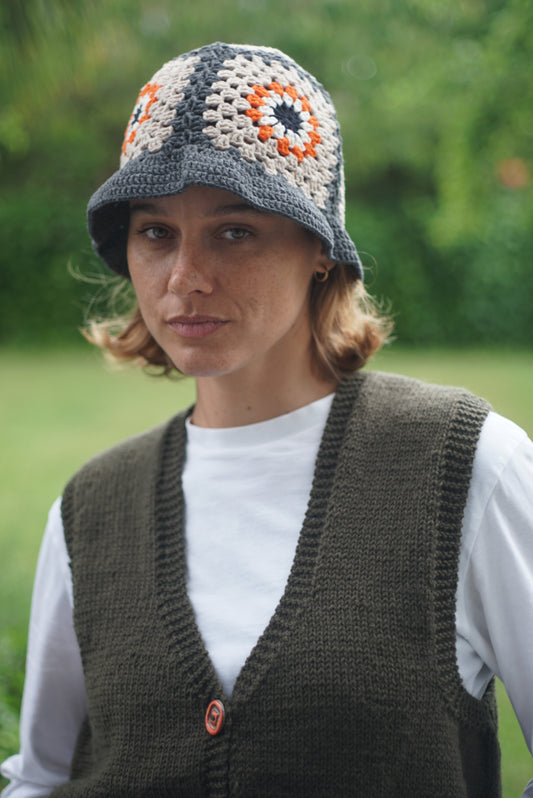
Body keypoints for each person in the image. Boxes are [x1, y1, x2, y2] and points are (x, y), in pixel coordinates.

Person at [1, 41, 533, 797]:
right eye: (156, 232)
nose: (185, 277)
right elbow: (43, 779)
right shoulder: (90, 512)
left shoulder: (465, 466)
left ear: (318, 248)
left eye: (234, 231)